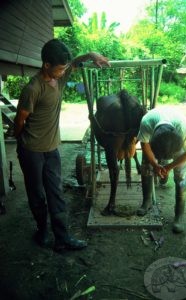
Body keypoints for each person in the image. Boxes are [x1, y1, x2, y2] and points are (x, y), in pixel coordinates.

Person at [14, 39, 110, 252]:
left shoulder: (61, 76)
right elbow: (20, 121)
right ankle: (42, 231)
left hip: (51, 150)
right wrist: (22, 144)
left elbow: (74, 62)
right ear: (46, 65)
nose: (63, 71)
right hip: (32, 151)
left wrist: (91, 54)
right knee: (37, 194)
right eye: (59, 68)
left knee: (56, 193)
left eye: (64, 68)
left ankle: (62, 238)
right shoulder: (33, 88)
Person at [136, 106, 186, 233]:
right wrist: (155, 164)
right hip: (156, 141)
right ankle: (147, 201)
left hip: (178, 147)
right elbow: (144, 145)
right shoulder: (146, 122)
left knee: (181, 177)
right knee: (146, 166)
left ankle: (179, 215)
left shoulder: (183, 128)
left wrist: (169, 166)